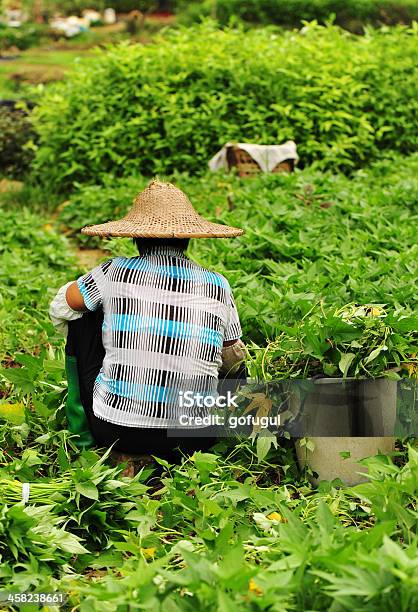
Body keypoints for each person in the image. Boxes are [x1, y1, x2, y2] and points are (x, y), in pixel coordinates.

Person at [50, 179, 246, 473]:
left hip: (117, 429)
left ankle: (84, 434)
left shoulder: (114, 270)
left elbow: (62, 304)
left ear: (136, 238)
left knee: (83, 312)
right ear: (187, 239)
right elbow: (232, 359)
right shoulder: (218, 283)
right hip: (195, 435)